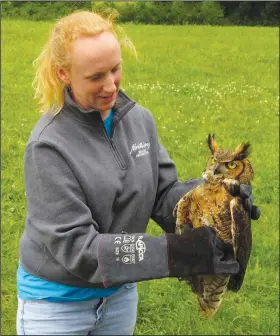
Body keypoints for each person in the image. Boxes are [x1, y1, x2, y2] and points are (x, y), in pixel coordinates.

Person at [16, 10, 260, 336]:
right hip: (58, 305)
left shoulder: (138, 120)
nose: (109, 85)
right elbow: (80, 250)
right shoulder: (48, 147)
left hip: (119, 296)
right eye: (94, 77)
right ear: (64, 74)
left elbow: (162, 193)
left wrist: (217, 201)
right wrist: (173, 253)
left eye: (115, 69)